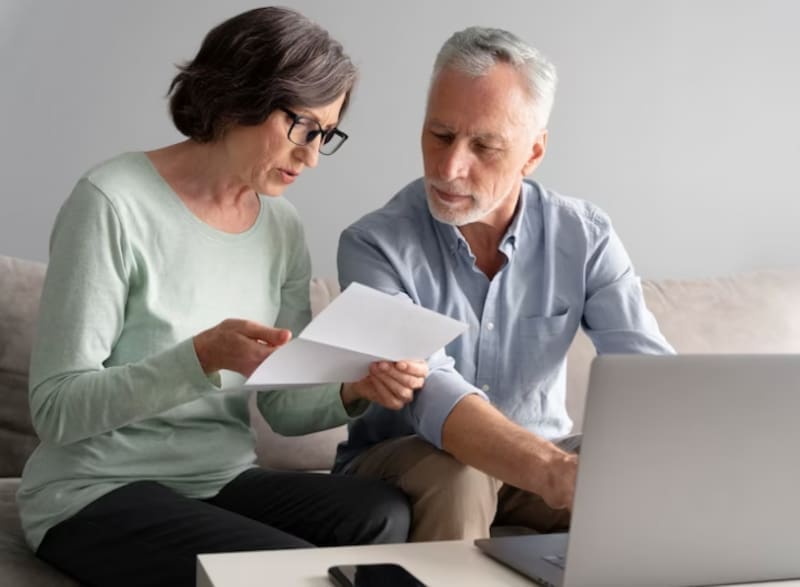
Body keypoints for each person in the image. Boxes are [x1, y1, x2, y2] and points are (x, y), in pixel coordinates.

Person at [17, 7, 428, 587]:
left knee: (381, 515)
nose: (311, 155)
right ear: (240, 96)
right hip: (95, 490)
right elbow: (57, 410)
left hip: (218, 481)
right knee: (284, 572)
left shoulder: (281, 228)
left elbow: (283, 409)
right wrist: (200, 358)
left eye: (326, 136)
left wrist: (354, 388)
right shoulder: (111, 202)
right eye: (302, 128)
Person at [333, 26, 675, 542]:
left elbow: (648, 374)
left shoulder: (584, 235)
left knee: (652, 471)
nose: (449, 168)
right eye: (440, 135)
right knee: (460, 474)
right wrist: (552, 471)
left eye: (484, 146)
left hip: (539, 460)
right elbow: (429, 391)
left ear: (533, 153)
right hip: (409, 460)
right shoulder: (372, 245)